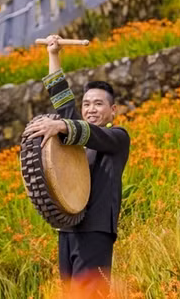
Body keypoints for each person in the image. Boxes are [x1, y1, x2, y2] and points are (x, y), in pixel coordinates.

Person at [24, 34, 130, 296]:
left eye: (98, 104)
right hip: (68, 228)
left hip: (96, 229)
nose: (91, 109)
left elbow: (86, 132)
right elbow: (63, 102)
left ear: (113, 110)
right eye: (86, 104)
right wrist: (53, 54)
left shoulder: (117, 137)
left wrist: (61, 125)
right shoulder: (75, 135)